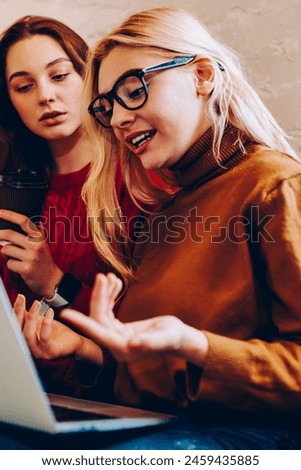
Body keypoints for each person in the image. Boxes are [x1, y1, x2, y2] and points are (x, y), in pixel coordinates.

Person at [13, 7, 301, 449]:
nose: (118, 119)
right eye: (108, 107)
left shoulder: (274, 187)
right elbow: (151, 379)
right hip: (162, 426)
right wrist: (81, 348)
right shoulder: (163, 211)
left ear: (202, 75)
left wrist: (195, 344)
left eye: (134, 90)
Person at [0, 15, 137, 396]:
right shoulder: (14, 187)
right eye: (24, 86)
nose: (45, 95)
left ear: (88, 79)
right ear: (10, 101)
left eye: (59, 76)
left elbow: (141, 328)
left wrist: (53, 282)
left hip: (102, 394)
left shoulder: (134, 180)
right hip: (22, 392)